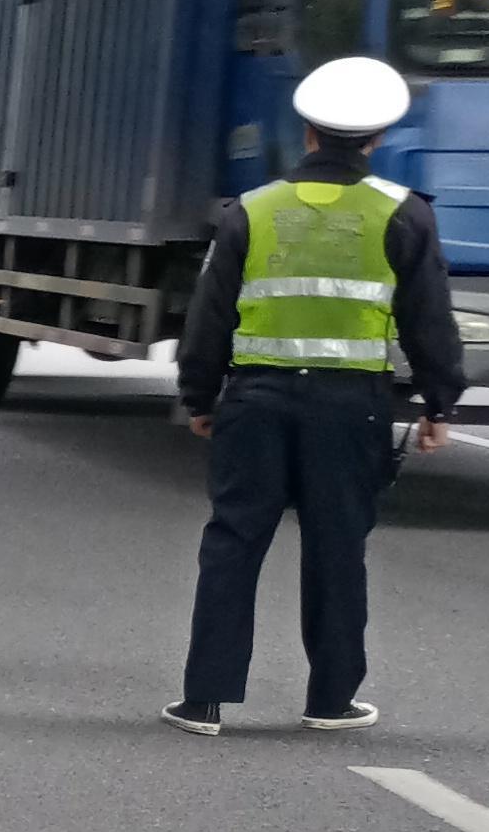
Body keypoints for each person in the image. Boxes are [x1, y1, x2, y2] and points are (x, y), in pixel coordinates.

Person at [164, 57, 461, 736]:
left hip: (258, 399)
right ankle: (330, 699)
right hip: (349, 406)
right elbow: (429, 319)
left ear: (307, 133)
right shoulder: (403, 215)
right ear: (378, 137)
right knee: (337, 547)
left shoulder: (254, 212)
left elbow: (210, 314)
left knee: (234, 540)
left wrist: (200, 395)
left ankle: (204, 699)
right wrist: (438, 405)